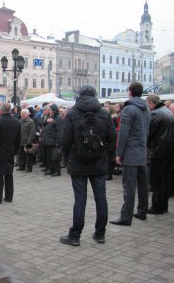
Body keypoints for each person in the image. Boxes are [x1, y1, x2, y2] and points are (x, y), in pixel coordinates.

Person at [60, 85, 116, 246]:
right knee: (101, 198)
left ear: (80, 95)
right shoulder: (104, 114)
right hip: (99, 162)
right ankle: (100, 234)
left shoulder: (72, 113)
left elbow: (65, 140)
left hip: (78, 161)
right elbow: (112, 137)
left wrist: (67, 156)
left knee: (80, 199)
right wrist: (103, 149)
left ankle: (75, 235)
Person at [110, 82, 150, 226]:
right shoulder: (146, 108)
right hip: (141, 150)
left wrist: (119, 153)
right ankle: (142, 211)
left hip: (130, 153)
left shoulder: (129, 109)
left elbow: (123, 133)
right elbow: (147, 130)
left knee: (129, 186)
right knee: (142, 184)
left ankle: (126, 217)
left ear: (130, 92)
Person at [145, 94, 174, 214]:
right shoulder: (168, 112)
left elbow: (149, 133)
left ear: (151, 103)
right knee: (165, 180)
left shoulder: (155, 114)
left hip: (159, 151)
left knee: (157, 180)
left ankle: (157, 207)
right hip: (169, 150)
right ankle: (164, 206)